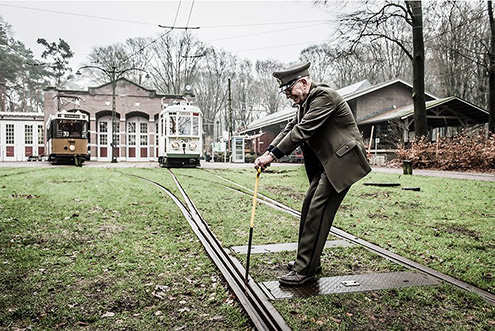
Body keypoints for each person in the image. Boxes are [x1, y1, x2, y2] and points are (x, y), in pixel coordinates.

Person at [254, 62, 371, 286]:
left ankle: (304, 269)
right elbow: (288, 129)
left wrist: (273, 156)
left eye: (289, 90)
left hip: (341, 163)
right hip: (326, 165)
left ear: (304, 82)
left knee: (318, 212)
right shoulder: (304, 104)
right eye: (285, 92)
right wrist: (268, 151)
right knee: (309, 207)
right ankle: (309, 260)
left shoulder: (324, 97)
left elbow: (302, 130)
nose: (288, 96)